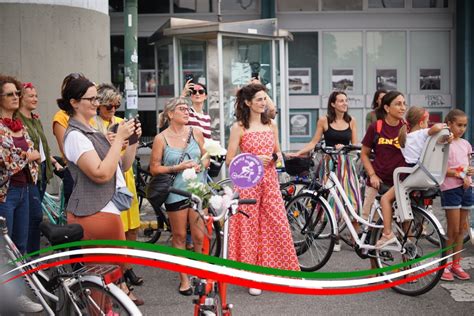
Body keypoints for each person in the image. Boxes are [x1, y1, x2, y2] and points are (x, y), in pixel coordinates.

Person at [59, 76, 143, 305]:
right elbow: (100, 173)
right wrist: (117, 142)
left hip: (106, 209)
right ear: (74, 102)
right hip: (92, 212)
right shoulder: (76, 135)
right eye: (91, 98)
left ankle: (106, 310)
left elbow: (121, 167)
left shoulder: (92, 130)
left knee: (112, 273)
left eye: (97, 98)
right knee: (100, 278)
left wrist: (131, 140)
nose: (97, 103)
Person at [226, 83, 300, 296]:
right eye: (259, 99)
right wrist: (253, 159)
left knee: (276, 223)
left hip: (269, 180)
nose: (263, 102)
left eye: (265, 99)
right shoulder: (239, 127)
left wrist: (273, 158)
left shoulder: (271, 125)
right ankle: (253, 276)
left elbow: (277, 152)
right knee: (249, 227)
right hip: (248, 181)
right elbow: (230, 160)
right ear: (248, 103)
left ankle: (277, 272)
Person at [149, 97, 210, 296]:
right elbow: (154, 168)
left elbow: (206, 156)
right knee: (180, 236)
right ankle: (184, 279)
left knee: (200, 236)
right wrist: (178, 167)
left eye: (188, 109)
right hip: (175, 192)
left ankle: (202, 276)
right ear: (170, 114)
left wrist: (203, 163)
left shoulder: (196, 132)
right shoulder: (161, 138)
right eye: (182, 109)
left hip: (198, 190)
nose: (187, 112)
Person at [288, 90, 358, 251]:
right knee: (330, 199)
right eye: (340, 101)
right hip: (328, 164)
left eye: (345, 100)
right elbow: (314, 142)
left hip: (345, 164)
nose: (344, 103)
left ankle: (354, 233)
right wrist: (298, 153)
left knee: (349, 198)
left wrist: (345, 147)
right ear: (333, 104)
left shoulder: (352, 121)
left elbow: (355, 144)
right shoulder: (324, 121)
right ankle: (336, 236)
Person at [90, 83, 143, 286]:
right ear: (99, 106)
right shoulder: (93, 126)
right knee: (116, 230)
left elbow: (129, 155)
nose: (112, 110)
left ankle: (127, 267)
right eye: (108, 106)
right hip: (108, 181)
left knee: (132, 229)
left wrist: (134, 138)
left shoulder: (121, 122)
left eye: (115, 106)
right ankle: (117, 274)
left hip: (125, 178)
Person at [0, 74, 43, 313]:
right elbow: (7, 161)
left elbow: (32, 153)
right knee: (3, 248)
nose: (16, 97)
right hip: (5, 194)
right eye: (10, 94)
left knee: (19, 246)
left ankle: (16, 297)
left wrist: (27, 157)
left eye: (17, 93)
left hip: (25, 189)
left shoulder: (19, 125)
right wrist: (28, 157)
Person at [375, 106, 447, 248]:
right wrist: (444, 126)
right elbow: (435, 130)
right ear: (421, 123)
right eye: (427, 121)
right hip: (420, 175)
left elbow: (431, 131)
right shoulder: (422, 134)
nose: (428, 125)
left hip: (408, 175)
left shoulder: (406, 137)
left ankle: (387, 233)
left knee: (385, 199)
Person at [18, 82, 60, 254]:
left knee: (33, 217)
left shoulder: (35, 118)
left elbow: (42, 146)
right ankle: (31, 259)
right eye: (31, 96)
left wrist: (53, 161)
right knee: (34, 218)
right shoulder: (17, 121)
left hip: (42, 171)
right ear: (21, 98)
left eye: (36, 95)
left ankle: (31, 258)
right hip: (30, 174)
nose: (35, 99)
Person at [360, 91, 407, 224]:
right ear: (386, 107)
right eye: (398, 104)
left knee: (398, 224)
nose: (403, 107)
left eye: (404, 104)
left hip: (399, 183)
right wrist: (372, 175)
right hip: (378, 182)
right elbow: (364, 154)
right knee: (369, 223)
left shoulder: (407, 128)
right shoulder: (377, 127)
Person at [440, 109, 473, 281]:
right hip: (450, 189)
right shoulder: (445, 144)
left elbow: (469, 165)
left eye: (464, 126)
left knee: (461, 229)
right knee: (452, 230)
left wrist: (469, 174)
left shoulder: (466, 144)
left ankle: (456, 264)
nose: (462, 129)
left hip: (467, 189)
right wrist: (461, 174)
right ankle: (444, 266)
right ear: (449, 124)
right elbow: (441, 170)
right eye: (459, 125)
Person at [52, 73, 85, 205]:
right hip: (75, 173)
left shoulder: (87, 115)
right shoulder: (61, 117)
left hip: (91, 174)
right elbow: (66, 150)